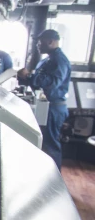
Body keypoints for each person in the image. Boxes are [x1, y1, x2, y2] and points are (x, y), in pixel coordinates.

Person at [17, 29, 71, 170]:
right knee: (43, 142)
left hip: (53, 108)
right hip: (46, 107)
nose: (38, 46)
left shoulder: (59, 60)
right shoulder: (49, 59)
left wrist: (29, 76)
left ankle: (54, 182)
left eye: (40, 43)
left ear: (50, 42)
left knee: (50, 145)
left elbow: (53, 82)